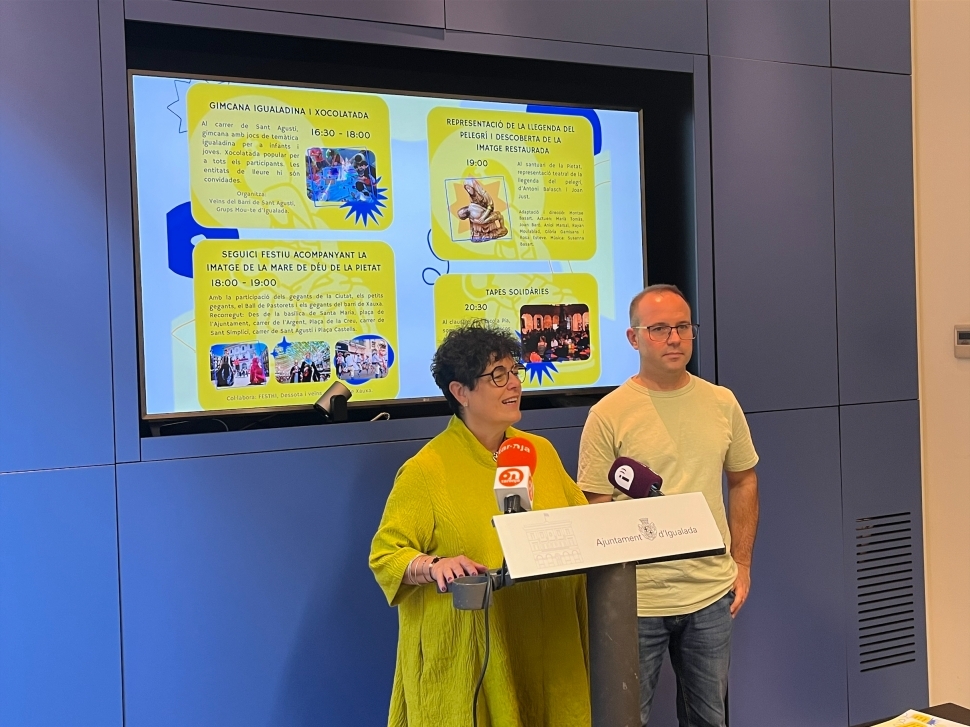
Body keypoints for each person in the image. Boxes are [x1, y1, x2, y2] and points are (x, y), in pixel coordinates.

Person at [369, 322, 591, 727]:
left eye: (514, 371)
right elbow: (386, 555)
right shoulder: (426, 470)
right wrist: (434, 566)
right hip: (474, 659)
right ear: (461, 392)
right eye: (498, 375)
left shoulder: (539, 452)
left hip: (544, 644)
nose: (514, 384)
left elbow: (583, 527)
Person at [577, 284, 760, 727]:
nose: (674, 338)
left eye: (682, 326)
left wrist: (742, 563)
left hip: (710, 595)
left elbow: (744, 480)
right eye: (659, 329)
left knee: (709, 719)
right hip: (635, 602)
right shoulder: (608, 414)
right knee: (625, 719)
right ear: (633, 338)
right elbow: (594, 508)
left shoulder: (722, 402)